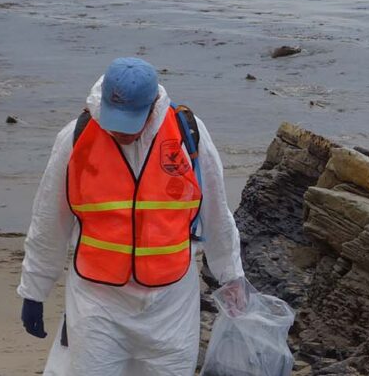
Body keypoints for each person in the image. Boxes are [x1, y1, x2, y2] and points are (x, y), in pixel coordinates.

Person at [17, 57, 247, 375]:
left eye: (130, 122)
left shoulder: (188, 134)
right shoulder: (75, 139)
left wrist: (231, 276)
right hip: (98, 302)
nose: (120, 132)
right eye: (114, 121)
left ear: (154, 105)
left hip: (171, 304)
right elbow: (48, 222)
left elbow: (216, 212)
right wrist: (34, 291)